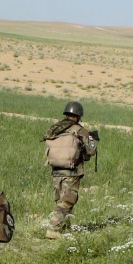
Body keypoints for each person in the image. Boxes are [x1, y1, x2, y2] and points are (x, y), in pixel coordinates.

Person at [42, 101, 97, 239]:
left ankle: (64, 227)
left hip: (56, 169)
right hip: (71, 170)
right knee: (68, 200)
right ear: (78, 116)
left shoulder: (54, 128)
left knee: (60, 199)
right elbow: (92, 150)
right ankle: (53, 229)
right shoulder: (80, 130)